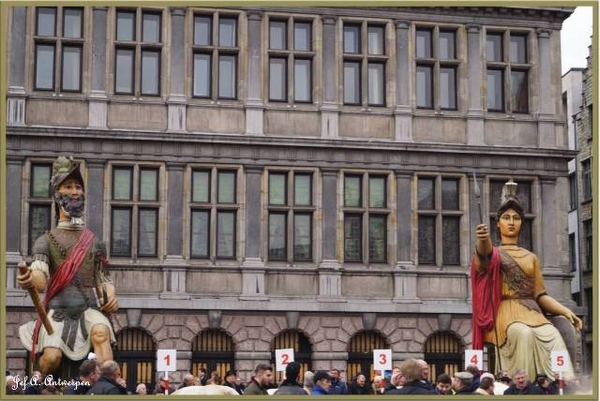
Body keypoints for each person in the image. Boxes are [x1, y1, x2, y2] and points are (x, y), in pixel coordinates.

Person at [472, 179, 582, 381]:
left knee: (554, 336)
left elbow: (540, 295)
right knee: (523, 335)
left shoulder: (531, 257)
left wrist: (566, 311)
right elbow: (483, 257)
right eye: (506, 218)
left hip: (534, 312)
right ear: (498, 223)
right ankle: (521, 384)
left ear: (522, 222)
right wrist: (482, 239)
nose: (511, 222)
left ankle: (565, 384)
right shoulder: (495, 253)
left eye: (516, 218)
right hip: (506, 312)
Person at [17, 156, 118, 376]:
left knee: (101, 332)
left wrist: (110, 295)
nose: (74, 191)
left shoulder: (94, 242)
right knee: (52, 358)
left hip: (88, 309)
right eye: (68, 186)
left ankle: (105, 384)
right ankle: (40, 382)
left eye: (78, 187)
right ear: (57, 195)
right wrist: (30, 279)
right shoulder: (45, 240)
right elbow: (41, 280)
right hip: (59, 311)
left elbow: (104, 279)